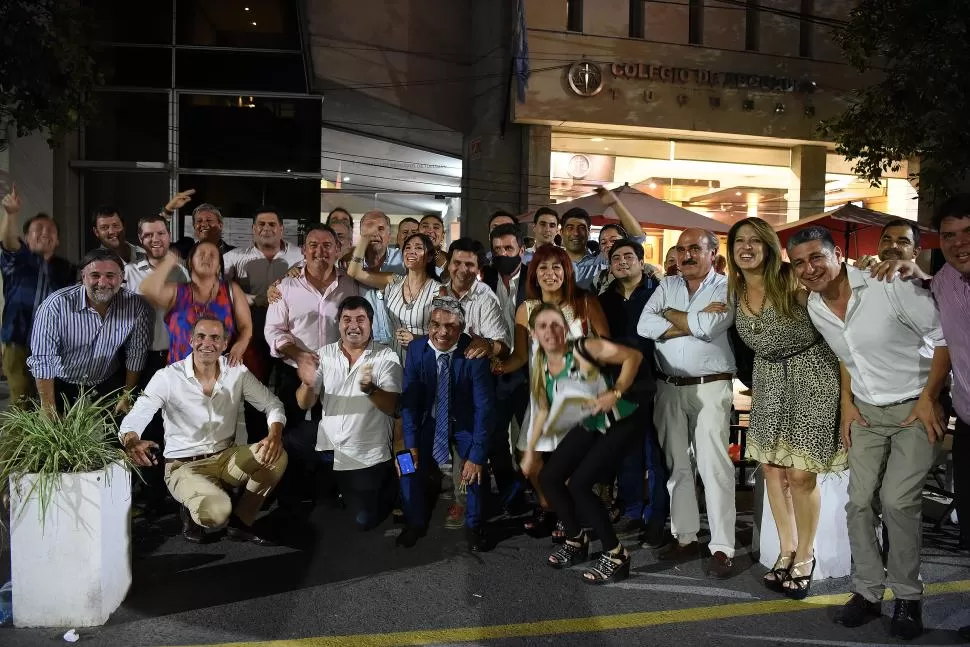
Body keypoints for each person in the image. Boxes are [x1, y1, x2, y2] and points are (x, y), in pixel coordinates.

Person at [788, 226, 946, 640]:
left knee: (896, 501)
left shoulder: (889, 284)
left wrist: (930, 397)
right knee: (858, 503)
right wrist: (847, 404)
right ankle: (867, 593)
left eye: (816, 257)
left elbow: (942, 338)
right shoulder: (816, 307)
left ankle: (908, 598)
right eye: (800, 263)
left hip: (915, 407)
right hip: (866, 413)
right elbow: (847, 355)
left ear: (838, 253)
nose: (809, 268)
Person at [726, 217, 846, 598]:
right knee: (773, 471)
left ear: (767, 246)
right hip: (770, 381)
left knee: (801, 475)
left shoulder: (792, 280)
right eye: (739, 241)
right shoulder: (735, 291)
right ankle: (786, 549)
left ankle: (806, 556)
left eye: (754, 241)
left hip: (814, 375)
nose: (746, 247)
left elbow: (840, 319)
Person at [119, 317, 287, 545]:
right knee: (216, 513)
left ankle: (240, 522)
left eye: (215, 338)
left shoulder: (236, 372)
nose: (207, 343)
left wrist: (274, 435)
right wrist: (131, 440)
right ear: (191, 340)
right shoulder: (167, 377)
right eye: (201, 336)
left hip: (226, 458)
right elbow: (137, 416)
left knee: (276, 457)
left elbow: (272, 404)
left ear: (225, 344)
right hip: (183, 464)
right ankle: (192, 505)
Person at [636, 228, 738, 579]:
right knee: (677, 466)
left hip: (711, 386)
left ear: (713, 253)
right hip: (668, 387)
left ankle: (723, 547)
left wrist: (672, 318)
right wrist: (691, 323)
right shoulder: (667, 286)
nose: (687, 255)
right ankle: (686, 536)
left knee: (713, 466)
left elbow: (711, 327)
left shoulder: (726, 287)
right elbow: (644, 326)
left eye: (696, 248)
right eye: (681, 249)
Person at [495, 243, 610, 536]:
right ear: (534, 274)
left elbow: (607, 347)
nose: (550, 273)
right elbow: (521, 356)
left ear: (566, 271)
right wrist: (497, 365)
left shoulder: (585, 303)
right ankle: (554, 508)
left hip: (579, 397)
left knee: (566, 465)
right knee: (528, 462)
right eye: (543, 267)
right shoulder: (526, 309)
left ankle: (569, 517)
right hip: (541, 397)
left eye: (556, 266)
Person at [522, 303, 642, 583]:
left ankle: (616, 554)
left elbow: (633, 357)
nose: (550, 331)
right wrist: (530, 452)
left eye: (555, 324)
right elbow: (541, 410)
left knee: (578, 484)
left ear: (565, 328)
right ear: (533, 334)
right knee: (549, 477)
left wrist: (616, 391)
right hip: (590, 424)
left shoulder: (585, 347)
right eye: (542, 326)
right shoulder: (540, 363)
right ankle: (577, 540)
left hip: (619, 420)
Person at [294, 296, 402, 530]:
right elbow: (304, 404)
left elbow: (392, 406)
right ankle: (333, 490)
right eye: (347, 319)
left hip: (366, 453)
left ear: (371, 324)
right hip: (329, 448)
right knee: (290, 441)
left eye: (360, 319)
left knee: (365, 521)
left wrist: (370, 389)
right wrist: (306, 383)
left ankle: (391, 486)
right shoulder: (323, 354)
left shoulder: (386, 356)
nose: (353, 325)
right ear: (339, 324)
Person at [398, 296, 495, 551]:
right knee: (406, 464)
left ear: (461, 328)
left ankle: (474, 526)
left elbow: (484, 409)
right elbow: (410, 401)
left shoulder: (473, 353)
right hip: (427, 422)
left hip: (463, 424)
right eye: (436, 324)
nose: (442, 332)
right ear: (428, 324)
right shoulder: (417, 349)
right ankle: (414, 522)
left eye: (450, 326)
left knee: (474, 470)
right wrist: (410, 444)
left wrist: (475, 456)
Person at [437, 237, 511, 527]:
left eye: (470, 264)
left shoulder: (485, 298)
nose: (462, 269)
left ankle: (464, 502)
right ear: (449, 263)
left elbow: (503, 345)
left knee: (469, 444)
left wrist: (487, 346)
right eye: (457, 262)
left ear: (479, 268)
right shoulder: (437, 292)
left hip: (472, 382)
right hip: (440, 378)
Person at [597, 239, 666, 546]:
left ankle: (656, 517)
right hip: (619, 385)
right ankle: (632, 511)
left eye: (628, 256)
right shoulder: (603, 300)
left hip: (655, 383)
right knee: (626, 452)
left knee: (656, 453)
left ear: (641, 260)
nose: (622, 262)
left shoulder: (658, 294)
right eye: (616, 258)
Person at [29, 249, 153, 413]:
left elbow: (136, 352)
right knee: (60, 435)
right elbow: (43, 359)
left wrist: (126, 396)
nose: (102, 283)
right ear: (83, 276)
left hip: (109, 381)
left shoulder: (135, 305)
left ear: (122, 276)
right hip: (63, 383)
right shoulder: (55, 305)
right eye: (95, 275)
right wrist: (48, 409)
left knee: (115, 436)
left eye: (110, 276)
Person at [265, 224, 362, 432]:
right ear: (303, 250)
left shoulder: (351, 285)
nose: (320, 251)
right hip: (294, 373)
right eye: (313, 245)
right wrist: (299, 355)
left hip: (338, 374)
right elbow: (273, 330)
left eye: (327, 245)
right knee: (292, 439)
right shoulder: (285, 286)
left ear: (337, 249)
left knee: (336, 439)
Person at [223, 207, 304, 441]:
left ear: (281, 229)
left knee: (289, 391)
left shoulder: (299, 256)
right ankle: (257, 447)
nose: (266, 229)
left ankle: (286, 445)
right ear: (253, 229)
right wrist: (252, 299)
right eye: (261, 224)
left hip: (288, 335)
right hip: (253, 335)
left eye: (271, 224)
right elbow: (221, 290)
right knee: (254, 392)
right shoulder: (234, 258)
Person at [0, 185, 74, 405]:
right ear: (26, 237)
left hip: (55, 344)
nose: (45, 233)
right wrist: (10, 214)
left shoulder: (66, 268)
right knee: (21, 401)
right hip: (19, 340)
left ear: (58, 240)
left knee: (51, 401)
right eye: (38, 229)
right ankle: (18, 441)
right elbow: (8, 243)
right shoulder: (17, 260)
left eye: (50, 231)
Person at [483, 224, 531, 514]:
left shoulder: (534, 280)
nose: (503, 254)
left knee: (529, 438)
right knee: (496, 437)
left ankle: (533, 488)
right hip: (494, 371)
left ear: (521, 251)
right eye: (498, 250)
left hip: (530, 371)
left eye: (509, 249)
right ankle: (510, 494)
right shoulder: (485, 278)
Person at [139, 244, 252, 366]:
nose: (206, 258)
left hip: (221, 372)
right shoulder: (177, 292)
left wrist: (238, 348)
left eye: (212, 255)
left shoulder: (231, 290)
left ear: (219, 267)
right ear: (190, 263)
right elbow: (147, 289)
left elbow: (246, 327)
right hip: (180, 374)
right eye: (201, 254)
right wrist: (168, 262)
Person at [347, 232, 440, 364]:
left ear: (430, 256)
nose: (411, 251)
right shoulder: (393, 282)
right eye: (407, 248)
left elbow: (446, 332)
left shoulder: (438, 290)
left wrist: (418, 339)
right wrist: (363, 240)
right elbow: (354, 272)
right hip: (395, 360)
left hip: (425, 360)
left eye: (418, 248)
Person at [589, 188, 648, 294]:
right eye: (603, 242)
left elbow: (637, 235)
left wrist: (615, 204)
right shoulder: (599, 276)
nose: (609, 245)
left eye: (613, 240)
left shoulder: (647, 271)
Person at [168, 196, 236, 258]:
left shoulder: (235, 254)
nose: (203, 224)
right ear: (194, 226)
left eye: (209, 220)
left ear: (220, 225)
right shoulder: (186, 254)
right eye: (199, 221)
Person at [559, 208, 601, 290]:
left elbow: (633, 240)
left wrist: (615, 204)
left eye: (581, 228)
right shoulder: (552, 263)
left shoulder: (601, 263)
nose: (576, 233)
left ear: (588, 231)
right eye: (570, 228)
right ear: (561, 232)